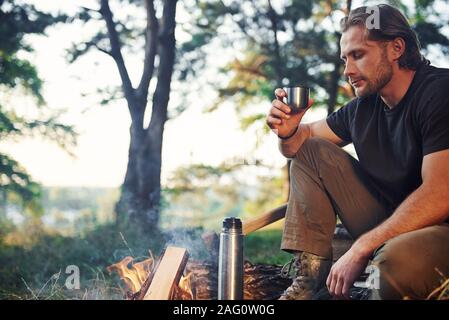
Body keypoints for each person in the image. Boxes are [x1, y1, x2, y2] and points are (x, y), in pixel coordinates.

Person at [266, 4, 449, 300]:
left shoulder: (439, 93)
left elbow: (441, 194)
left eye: (358, 55)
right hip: (391, 225)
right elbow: (299, 145)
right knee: (311, 149)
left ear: (396, 48)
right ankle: (309, 281)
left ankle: (364, 279)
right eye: (344, 59)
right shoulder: (364, 107)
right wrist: (286, 131)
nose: (348, 70)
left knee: (390, 268)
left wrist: (362, 246)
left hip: (439, 229)